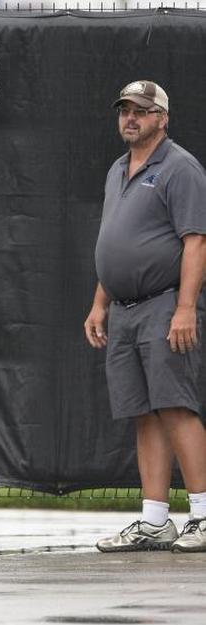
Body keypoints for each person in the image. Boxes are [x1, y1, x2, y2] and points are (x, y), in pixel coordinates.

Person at [84, 80, 206, 553]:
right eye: (124, 110)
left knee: (176, 406)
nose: (130, 118)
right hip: (123, 310)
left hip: (164, 305)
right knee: (143, 413)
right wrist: (100, 303)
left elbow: (196, 241)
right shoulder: (118, 170)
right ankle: (155, 521)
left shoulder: (181, 169)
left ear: (162, 118)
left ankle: (202, 514)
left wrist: (184, 308)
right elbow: (112, 241)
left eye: (141, 110)